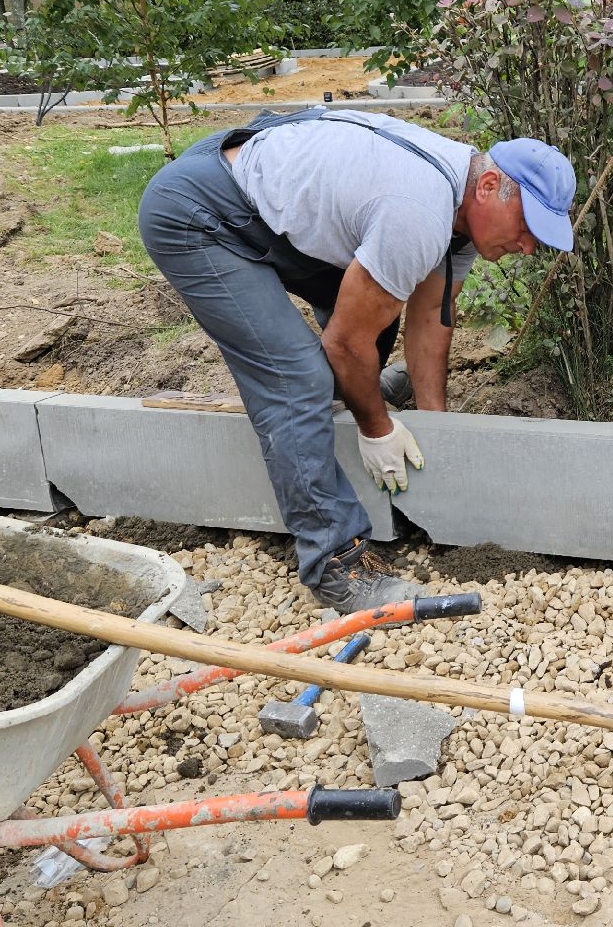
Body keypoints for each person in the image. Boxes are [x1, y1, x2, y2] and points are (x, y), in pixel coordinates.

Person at [140, 108, 575, 613]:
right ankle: (336, 564)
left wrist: (435, 428)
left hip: (263, 190)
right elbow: (345, 344)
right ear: (489, 186)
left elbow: (430, 316)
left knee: (377, 314)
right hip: (201, 215)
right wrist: (376, 429)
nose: (527, 246)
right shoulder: (418, 213)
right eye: (527, 226)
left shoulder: (462, 214)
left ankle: (344, 399)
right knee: (296, 380)